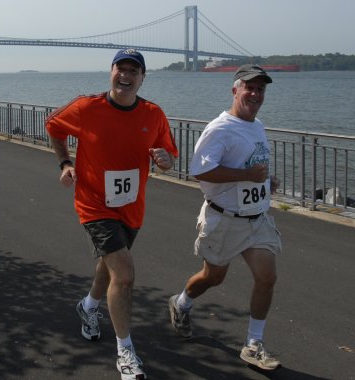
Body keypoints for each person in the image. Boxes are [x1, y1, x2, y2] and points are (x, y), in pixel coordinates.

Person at [46, 48, 178, 380]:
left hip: (131, 208)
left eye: (134, 71)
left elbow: (170, 156)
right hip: (94, 204)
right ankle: (126, 352)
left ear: (142, 78)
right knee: (126, 273)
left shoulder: (154, 114)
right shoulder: (86, 107)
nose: (127, 75)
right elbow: (54, 126)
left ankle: (88, 307)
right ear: (111, 72)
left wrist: (165, 160)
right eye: (122, 68)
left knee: (110, 265)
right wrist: (65, 162)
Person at [168, 64, 282, 371]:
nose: (255, 94)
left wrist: (265, 183)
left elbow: (253, 167)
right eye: (250, 88)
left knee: (267, 277)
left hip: (256, 218)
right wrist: (247, 174)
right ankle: (181, 303)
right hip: (225, 218)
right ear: (235, 90)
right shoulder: (220, 128)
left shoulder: (257, 126)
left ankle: (253, 344)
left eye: (261, 89)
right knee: (213, 277)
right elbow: (201, 171)